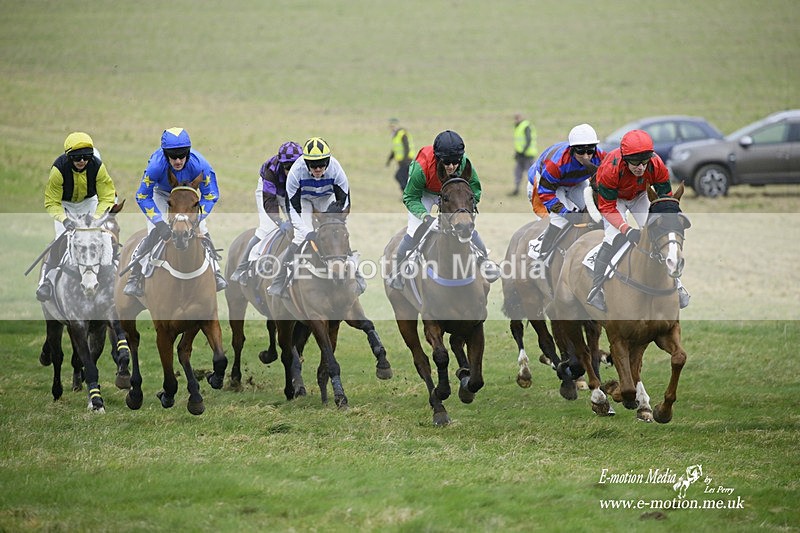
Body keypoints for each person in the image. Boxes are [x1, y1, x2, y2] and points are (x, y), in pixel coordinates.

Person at [586, 129, 690, 311]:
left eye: (644, 161)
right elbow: (608, 208)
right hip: (614, 200)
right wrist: (627, 229)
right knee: (612, 237)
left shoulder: (656, 164)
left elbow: (665, 198)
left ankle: (677, 284)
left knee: (659, 234)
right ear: (625, 158)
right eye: (635, 162)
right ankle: (597, 288)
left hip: (640, 195)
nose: (641, 167)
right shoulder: (610, 169)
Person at [387, 129, 500, 289]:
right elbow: (410, 197)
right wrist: (426, 218)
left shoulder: (464, 164)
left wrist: (465, 211)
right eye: (446, 162)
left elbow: (474, 190)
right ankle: (399, 271)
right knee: (414, 230)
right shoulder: (421, 167)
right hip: (424, 193)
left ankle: (484, 260)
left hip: (452, 194)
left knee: (466, 226)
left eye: (455, 162)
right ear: (438, 158)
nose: (452, 166)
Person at [123, 127, 227, 297]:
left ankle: (216, 272)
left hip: (189, 196)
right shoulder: (156, 166)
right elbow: (142, 196)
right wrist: (158, 222)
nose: (178, 161)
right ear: (165, 154)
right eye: (173, 156)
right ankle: (135, 275)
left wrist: (197, 218)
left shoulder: (201, 165)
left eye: (182, 155)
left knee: (203, 230)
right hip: (162, 194)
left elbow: (211, 195)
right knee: (154, 232)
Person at [37, 132, 117, 301]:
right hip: (65, 205)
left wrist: (96, 218)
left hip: (89, 202)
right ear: (68, 157)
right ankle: (45, 283)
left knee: (103, 237)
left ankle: (113, 276)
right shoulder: (58, 170)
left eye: (86, 157)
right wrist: (65, 220)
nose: (82, 161)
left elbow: (107, 197)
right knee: (61, 239)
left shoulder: (97, 166)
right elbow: (52, 202)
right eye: (76, 158)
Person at [267, 137, 351, 297]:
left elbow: (344, 201)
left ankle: (357, 276)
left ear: (328, 161)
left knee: (338, 233)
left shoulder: (336, 169)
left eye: (321, 164)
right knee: (299, 237)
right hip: (303, 199)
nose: (318, 168)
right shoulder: (295, 172)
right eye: (313, 165)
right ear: (306, 163)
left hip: (327, 196)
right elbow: (292, 210)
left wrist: (337, 221)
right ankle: (279, 280)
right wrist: (307, 232)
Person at [230, 141, 303, 286]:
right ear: (281, 164)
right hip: (269, 192)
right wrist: (279, 222)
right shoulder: (272, 170)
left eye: (294, 166)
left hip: (290, 194)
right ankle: (244, 267)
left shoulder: (305, 169)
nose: (290, 170)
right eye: (287, 167)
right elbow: (269, 201)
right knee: (267, 228)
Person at [532, 123, 607, 258]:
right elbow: (545, 193)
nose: (586, 156)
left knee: (590, 212)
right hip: (551, 185)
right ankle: (542, 256)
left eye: (590, 151)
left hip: (576, 182)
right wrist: (565, 213)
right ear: (572, 149)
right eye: (580, 151)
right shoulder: (556, 163)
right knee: (560, 220)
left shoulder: (601, 156)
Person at [510, 113, 538, 196]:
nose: (516, 120)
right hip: (520, 155)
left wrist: (523, 151)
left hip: (527, 154)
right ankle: (516, 189)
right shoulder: (518, 127)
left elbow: (528, 140)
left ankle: (536, 190)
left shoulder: (525, 126)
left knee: (531, 173)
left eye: (517, 118)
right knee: (517, 172)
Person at [385, 118, 415, 193]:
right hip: (402, 162)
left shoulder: (402, 134)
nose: (392, 128)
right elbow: (395, 150)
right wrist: (389, 160)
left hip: (406, 161)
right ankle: (406, 194)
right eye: (390, 126)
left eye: (393, 125)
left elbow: (406, 147)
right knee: (403, 178)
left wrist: (405, 159)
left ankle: (407, 194)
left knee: (399, 176)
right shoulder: (395, 136)